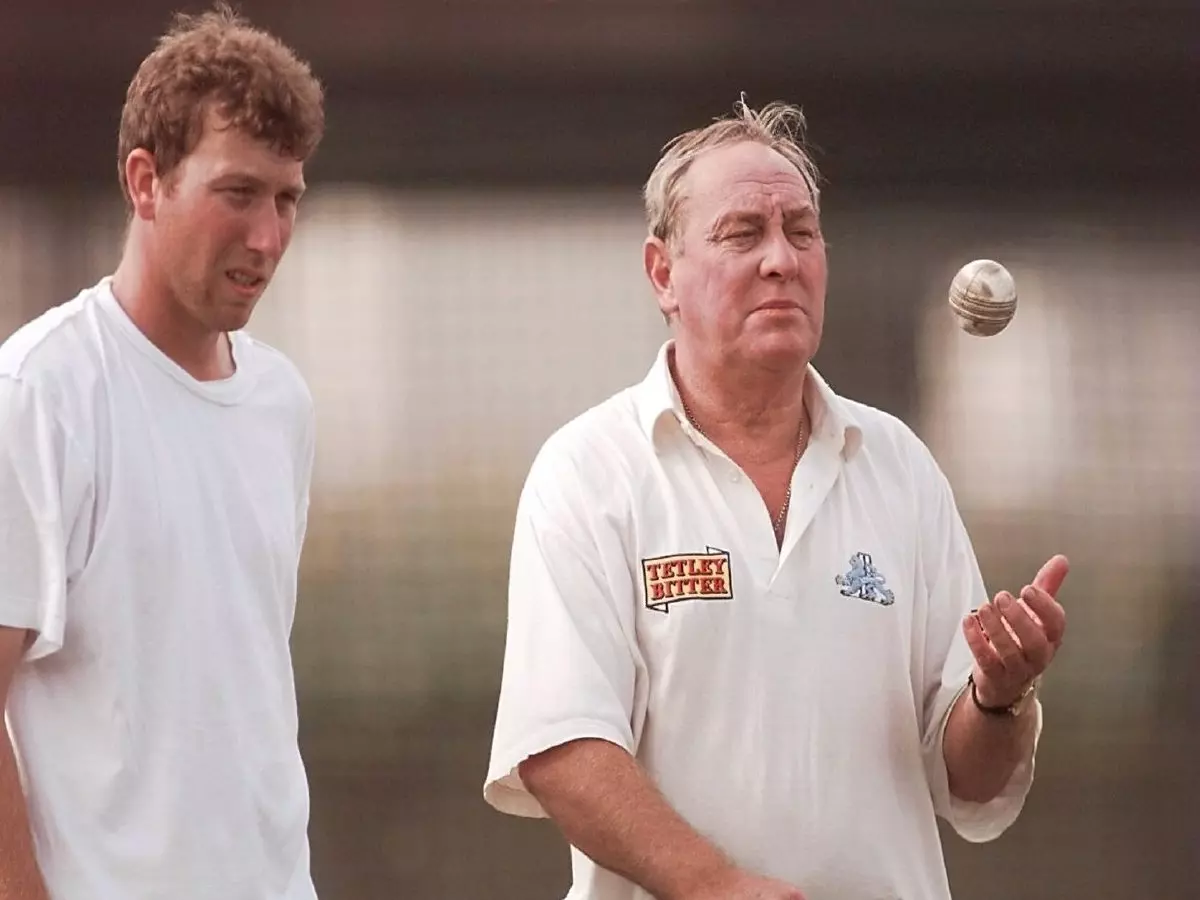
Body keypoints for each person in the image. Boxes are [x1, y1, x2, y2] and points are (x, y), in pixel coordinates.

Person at [484, 99, 1069, 900]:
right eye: (742, 234)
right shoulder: (590, 472)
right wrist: (718, 887)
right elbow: (563, 748)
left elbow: (966, 784)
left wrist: (998, 698)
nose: (781, 259)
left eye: (800, 231)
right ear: (663, 274)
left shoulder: (899, 466)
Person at [0, 6, 325, 899]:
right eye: (238, 192)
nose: (267, 238)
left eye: (287, 197)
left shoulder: (281, 403)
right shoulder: (39, 393)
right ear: (146, 182)